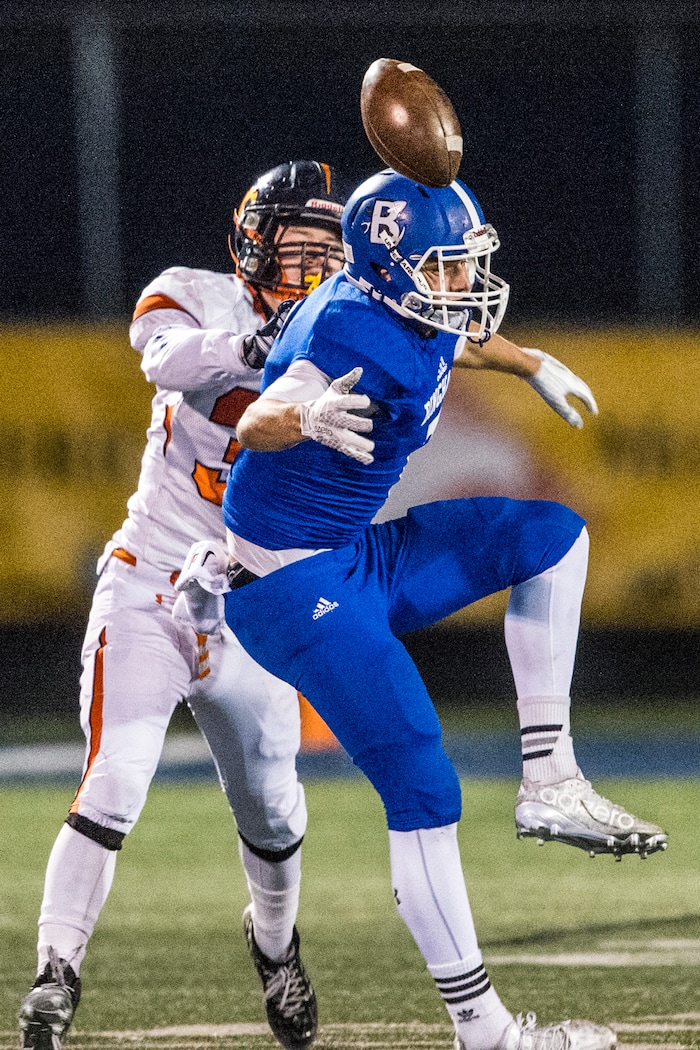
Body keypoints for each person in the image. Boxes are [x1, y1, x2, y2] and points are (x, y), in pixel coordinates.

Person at [217, 169, 667, 1050]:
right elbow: (257, 418)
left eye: (466, 263)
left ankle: (550, 780)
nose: (465, 283)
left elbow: (453, 340)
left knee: (551, 536)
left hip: (354, 557)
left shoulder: (406, 305)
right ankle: (486, 1033)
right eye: (447, 267)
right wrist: (301, 413)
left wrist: (529, 361)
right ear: (393, 267)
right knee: (425, 787)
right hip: (288, 585)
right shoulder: (343, 325)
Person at [18, 160, 348, 1050]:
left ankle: (275, 948)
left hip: (252, 605)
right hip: (155, 581)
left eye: (328, 254)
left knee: (274, 810)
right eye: (296, 249)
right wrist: (262, 346)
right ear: (251, 245)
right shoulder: (191, 294)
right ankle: (55, 972)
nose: (312, 270)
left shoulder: (348, 324)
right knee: (117, 774)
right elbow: (165, 359)